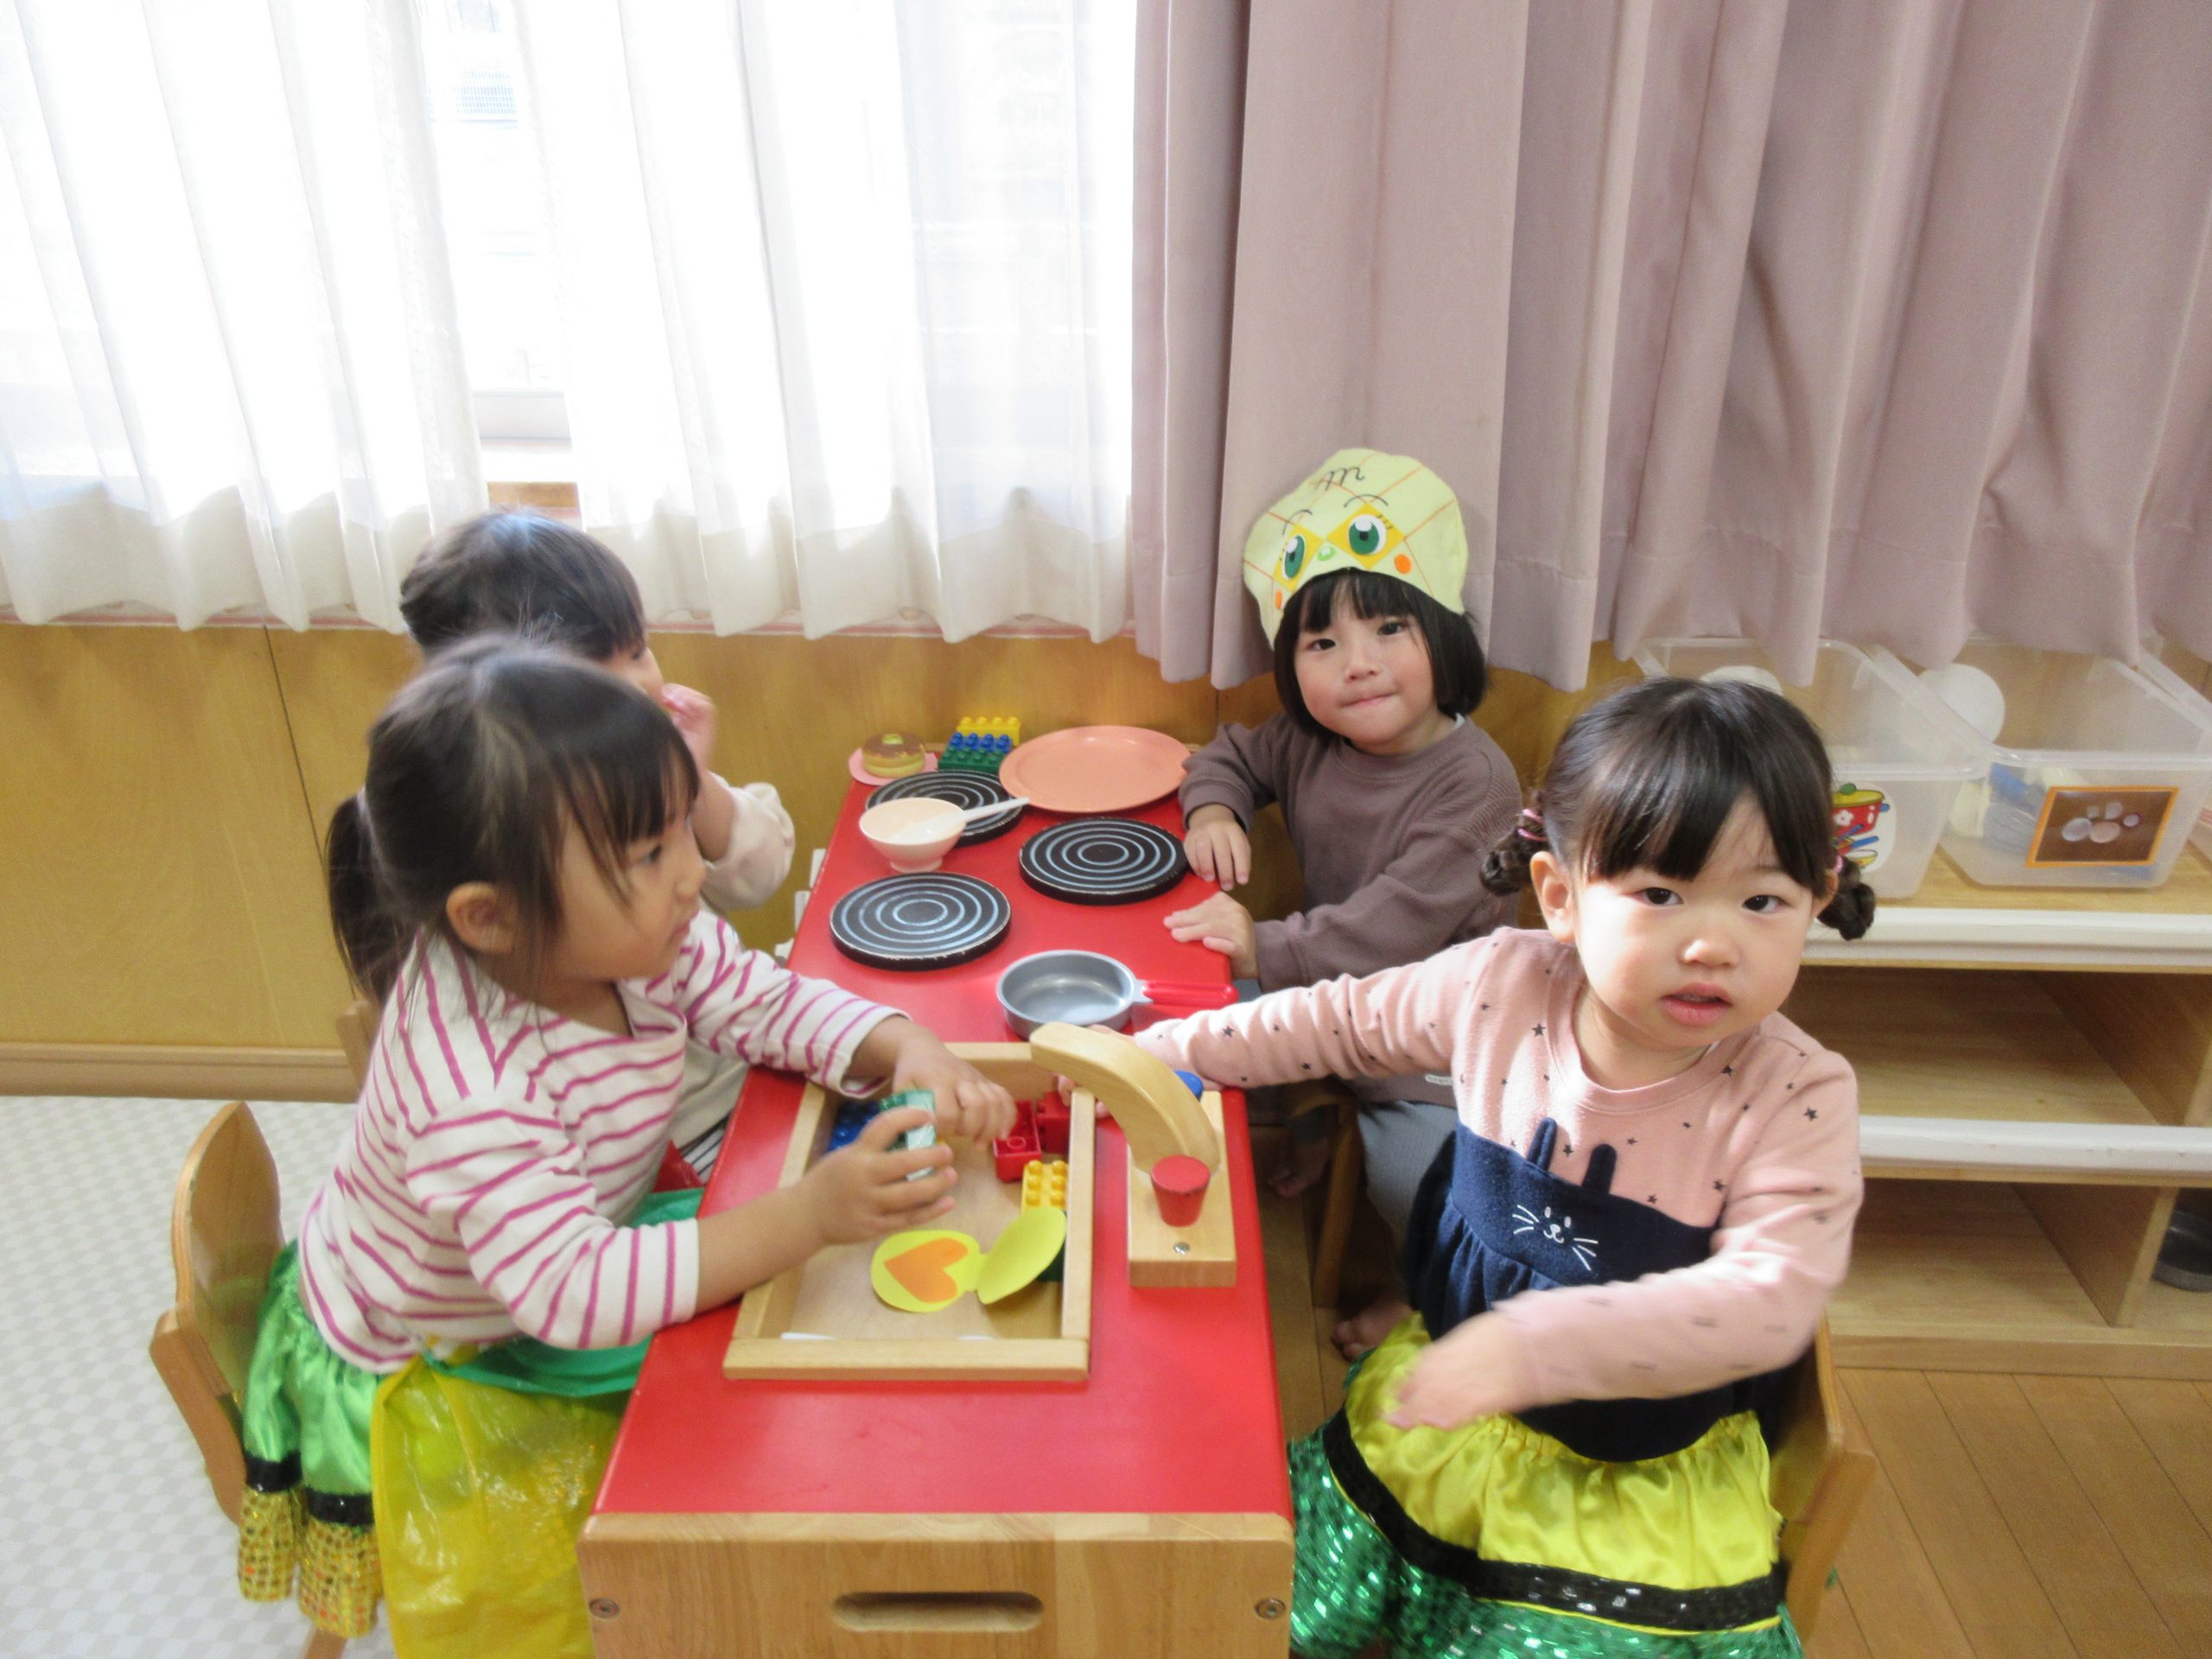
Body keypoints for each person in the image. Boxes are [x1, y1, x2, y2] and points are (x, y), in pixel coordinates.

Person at [236, 639, 1013, 1649]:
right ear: (490, 917)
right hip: (444, 1354)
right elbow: (573, 1297)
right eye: (648, 855)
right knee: (610, 1579)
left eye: (679, 830)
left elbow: (757, 999)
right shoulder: (470, 1089)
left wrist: (900, 1039)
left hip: (559, 1256)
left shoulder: (621, 935)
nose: (691, 875)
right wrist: (809, 1215)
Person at [1137, 675, 1874, 1657]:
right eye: (1660, 894)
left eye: (1763, 901)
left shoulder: (1798, 1094)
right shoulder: (1501, 983)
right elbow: (1333, 1021)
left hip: (1624, 1480)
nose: (1711, 944)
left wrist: (1531, 1350)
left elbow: (1767, 1303)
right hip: (1451, 1396)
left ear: (1816, 900)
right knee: (1276, 1605)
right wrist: (1161, 1053)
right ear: (1560, 898)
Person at [1167, 451, 1520, 1349]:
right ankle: (1312, 1117)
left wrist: (1262, 947)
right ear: (1293, 667)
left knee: (1416, 1180)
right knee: (1191, 1007)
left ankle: (1424, 1296)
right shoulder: (1309, 739)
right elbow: (1227, 756)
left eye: (1390, 629)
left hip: (1431, 1033)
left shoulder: (1476, 784)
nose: (1357, 666)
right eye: (1322, 644)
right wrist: (1217, 810)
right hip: (1327, 992)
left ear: (1445, 637)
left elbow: (1393, 929)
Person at [399, 510, 795, 1145]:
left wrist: (690, 785)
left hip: (736, 1066)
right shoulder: (491, 833)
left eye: (638, 651)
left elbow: (762, 875)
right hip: (658, 1136)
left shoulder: (635, 766)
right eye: (589, 674)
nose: (637, 685)